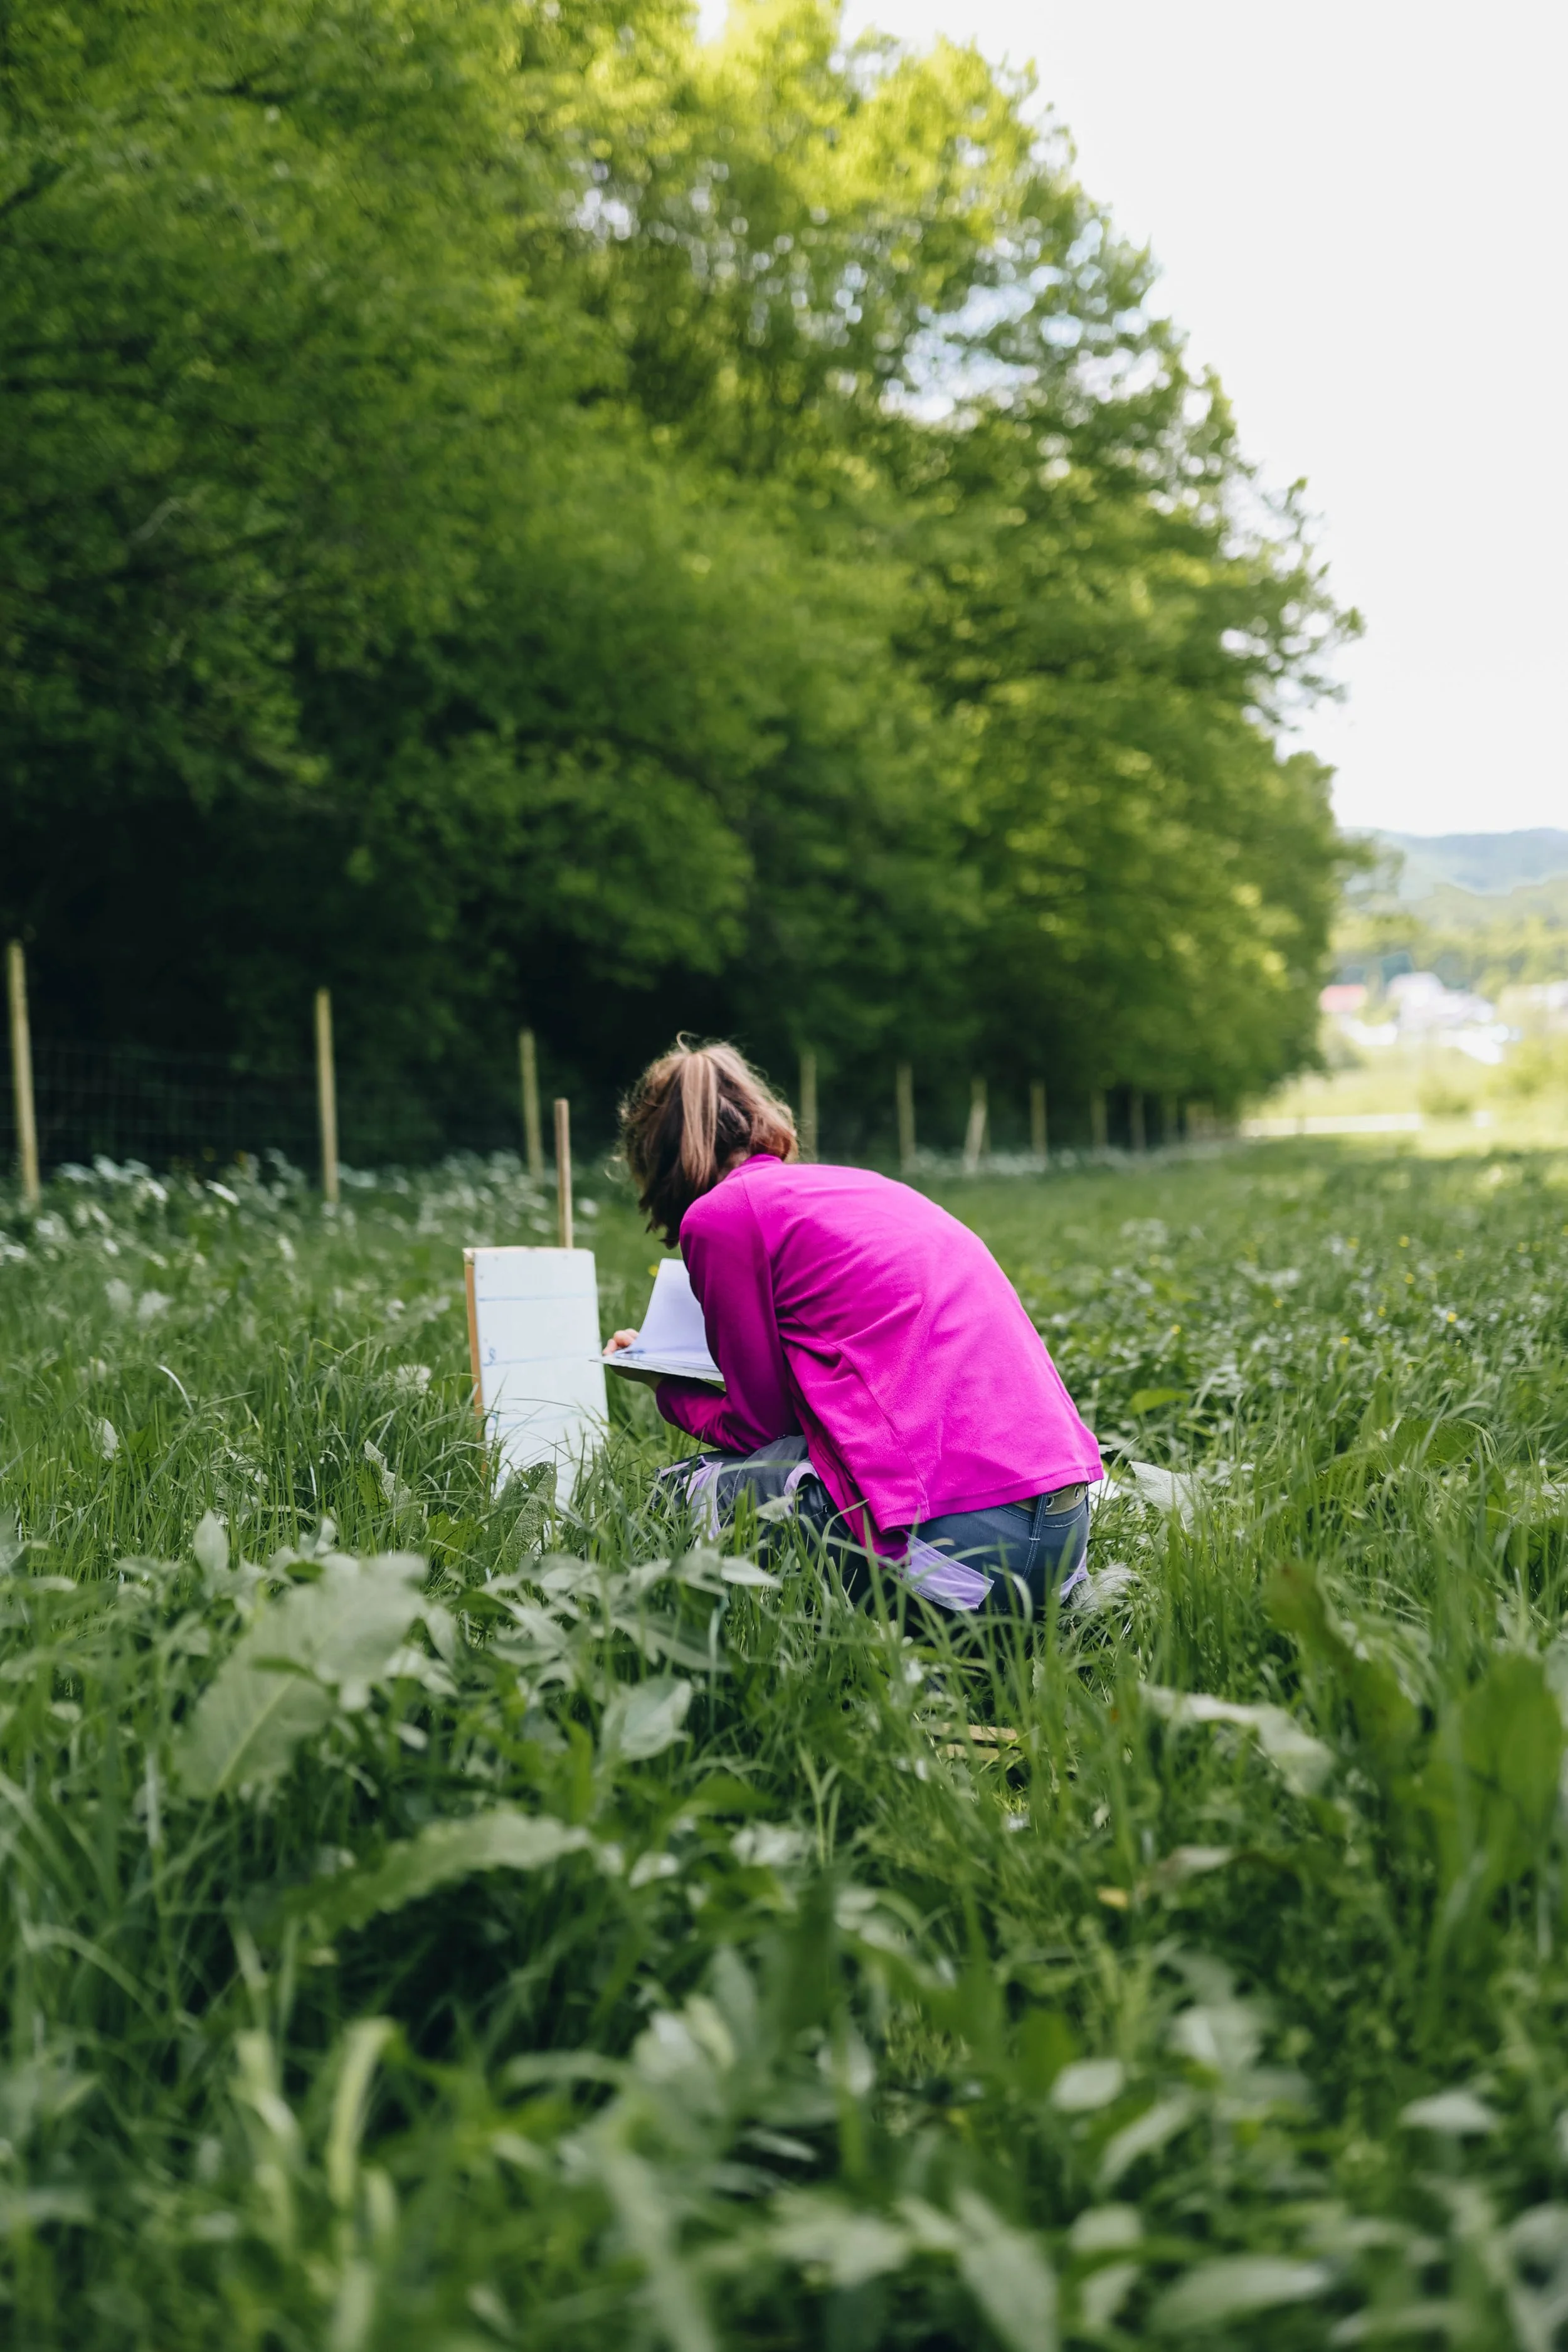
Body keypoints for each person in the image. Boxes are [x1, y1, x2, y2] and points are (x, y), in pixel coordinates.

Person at [608, 1040, 1101, 1618]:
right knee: (802, 1469)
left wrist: (665, 1389)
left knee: (674, 1496)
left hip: (966, 1564)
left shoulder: (721, 1215)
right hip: (1063, 1548)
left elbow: (758, 1428)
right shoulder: (861, 1190)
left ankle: (791, 1662)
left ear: (657, 1158)